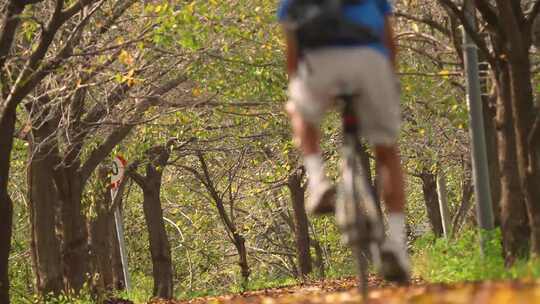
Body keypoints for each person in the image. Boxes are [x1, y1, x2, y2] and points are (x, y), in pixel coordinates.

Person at [277, 0, 410, 282]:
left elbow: (292, 51)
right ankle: (396, 246)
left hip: (318, 61)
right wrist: (389, 82)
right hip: (368, 61)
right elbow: (390, 43)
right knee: (386, 149)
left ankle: (318, 182)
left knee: (299, 111)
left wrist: (298, 88)